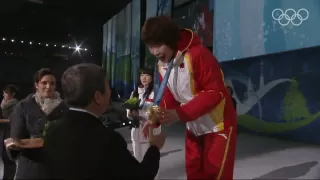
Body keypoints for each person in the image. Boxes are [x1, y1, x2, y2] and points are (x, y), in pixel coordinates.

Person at [141, 16, 237, 180]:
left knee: (215, 176)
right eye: (150, 46)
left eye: (158, 45)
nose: (154, 52)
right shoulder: (162, 64)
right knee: (193, 175)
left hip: (218, 126)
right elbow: (167, 95)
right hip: (194, 127)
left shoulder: (198, 54)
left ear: (170, 40)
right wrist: (154, 117)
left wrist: (181, 113)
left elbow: (216, 91)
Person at [43, 63, 166, 180]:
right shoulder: (109, 140)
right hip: (139, 131)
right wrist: (155, 148)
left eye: (147, 75)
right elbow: (140, 176)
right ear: (97, 96)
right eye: (107, 87)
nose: (110, 92)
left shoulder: (52, 131)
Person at [5, 68, 68, 179]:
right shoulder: (23, 106)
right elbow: (16, 138)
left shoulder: (63, 107)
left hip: (57, 169)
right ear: (36, 85)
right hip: (31, 169)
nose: (49, 87)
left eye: (52, 83)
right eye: (44, 83)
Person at [127, 68, 161, 162]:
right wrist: (131, 113)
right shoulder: (135, 93)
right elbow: (128, 111)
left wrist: (143, 115)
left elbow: (157, 114)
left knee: (148, 162)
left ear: (152, 77)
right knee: (137, 161)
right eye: (142, 75)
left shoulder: (155, 94)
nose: (144, 78)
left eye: (147, 75)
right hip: (135, 132)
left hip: (149, 133)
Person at [0, 84, 19, 179]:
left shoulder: (16, 105)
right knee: (3, 156)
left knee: (8, 158)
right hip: (2, 131)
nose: (4, 95)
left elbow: (13, 120)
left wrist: (1, 120)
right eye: (4, 93)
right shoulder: (3, 103)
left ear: (13, 94)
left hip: (10, 132)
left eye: (6, 93)